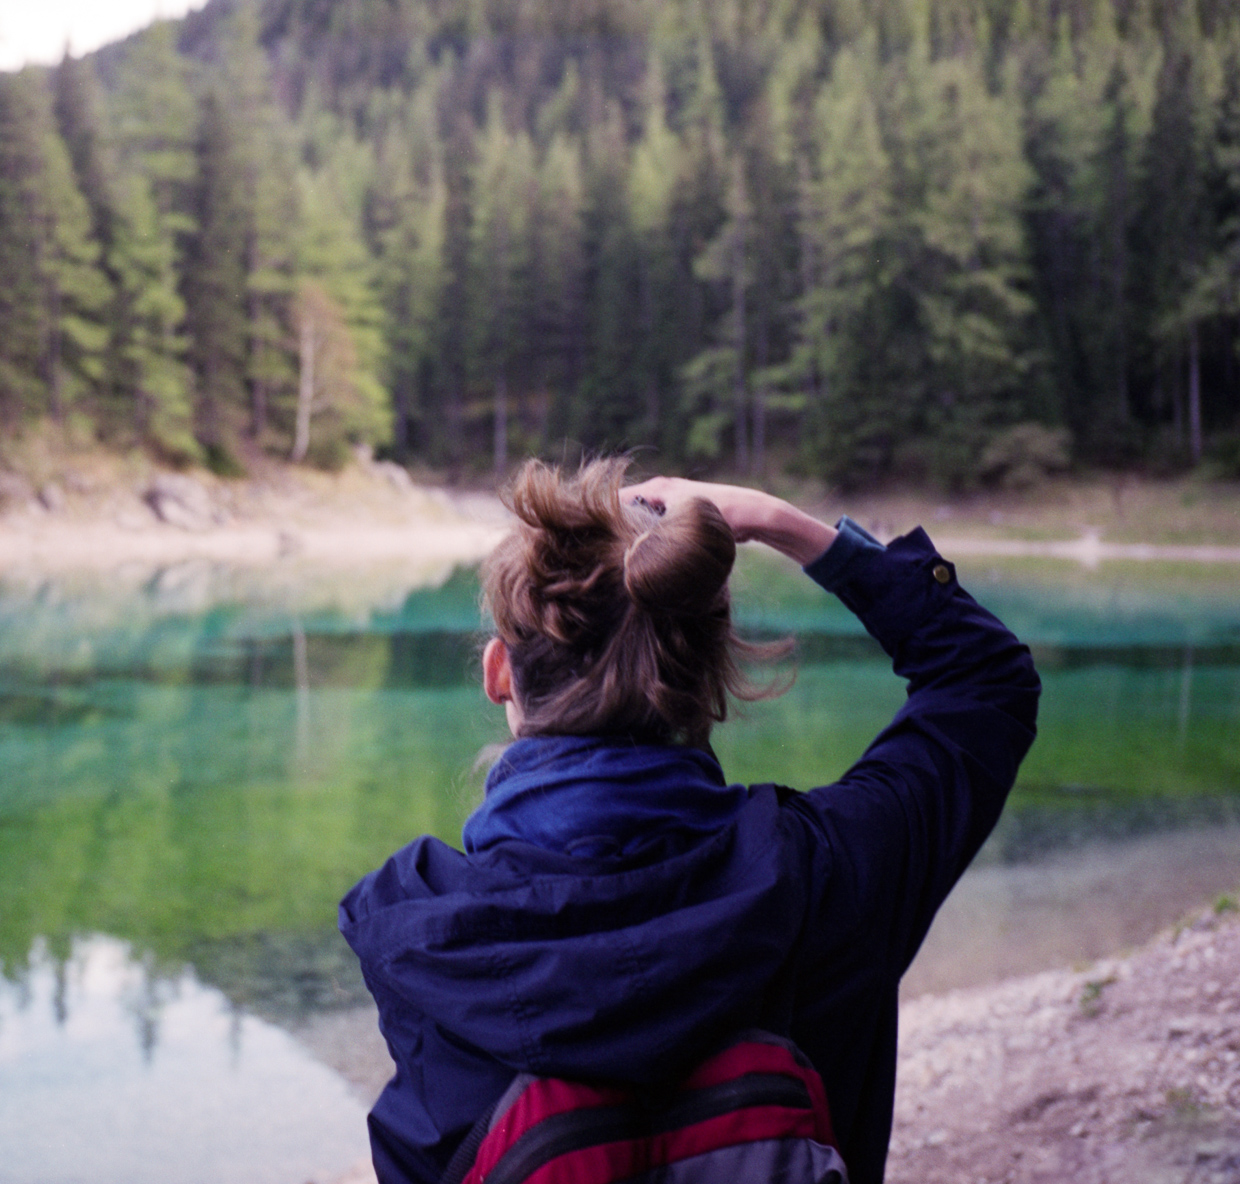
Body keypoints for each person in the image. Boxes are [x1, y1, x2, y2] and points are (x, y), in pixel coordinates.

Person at [339, 458, 1041, 1184]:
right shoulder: (829, 871)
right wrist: (784, 525)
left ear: (498, 674)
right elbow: (985, 680)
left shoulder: (418, 931)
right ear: (708, 679)